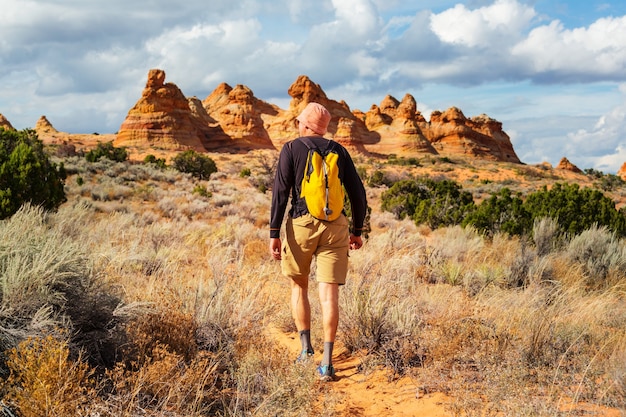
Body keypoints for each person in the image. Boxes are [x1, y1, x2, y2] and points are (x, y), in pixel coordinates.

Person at [269, 102, 367, 381]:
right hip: (336, 227)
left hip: (301, 224)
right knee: (329, 295)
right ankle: (327, 363)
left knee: (299, 286)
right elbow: (357, 193)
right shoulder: (340, 151)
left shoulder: (291, 149)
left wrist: (274, 233)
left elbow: (280, 192)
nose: (297, 125)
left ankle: (305, 350)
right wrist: (357, 230)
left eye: (300, 122)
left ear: (306, 125)